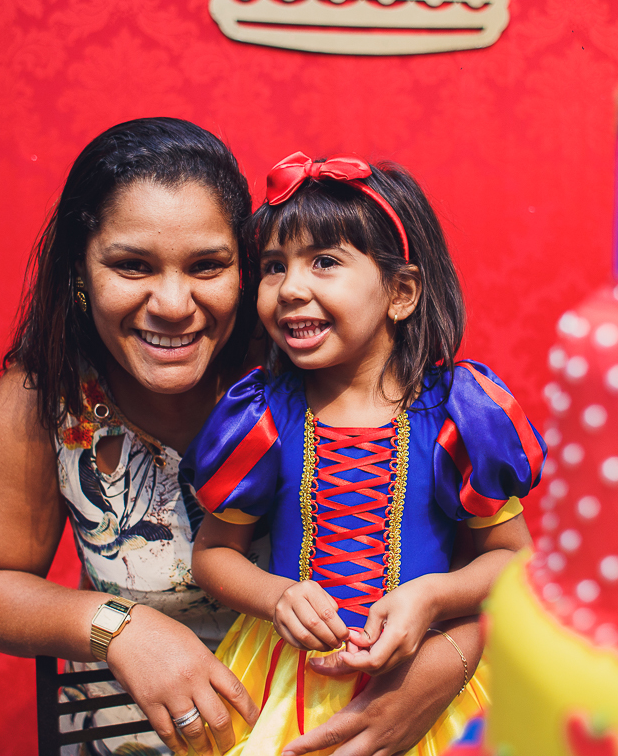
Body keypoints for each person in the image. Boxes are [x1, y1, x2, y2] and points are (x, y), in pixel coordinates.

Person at [0, 119, 489, 756]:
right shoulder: (47, 397)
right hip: (135, 736)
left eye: (207, 266)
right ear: (80, 271)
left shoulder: (306, 365)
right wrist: (122, 630)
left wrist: (452, 659)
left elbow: (494, 557)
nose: (173, 303)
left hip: (363, 721)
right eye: (132, 266)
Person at [184, 153, 544, 755]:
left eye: (324, 262)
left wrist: (432, 596)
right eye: (274, 267)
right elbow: (215, 555)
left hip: (432, 682)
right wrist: (276, 596)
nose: (291, 288)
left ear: (400, 292)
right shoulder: (261, 416)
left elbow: (513, 560)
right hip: (285, 682)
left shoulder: (460, 413)